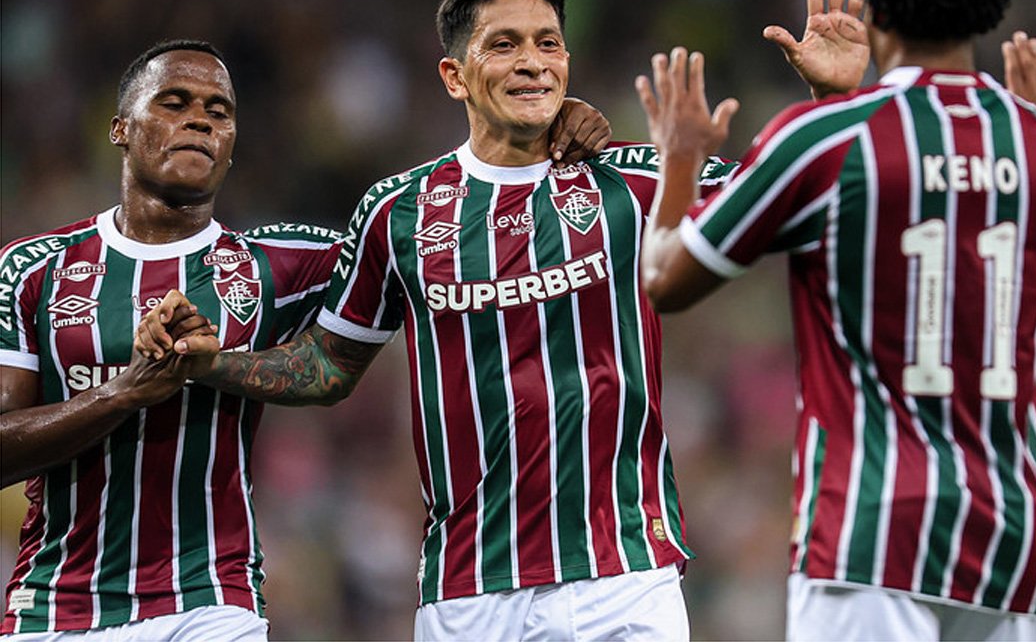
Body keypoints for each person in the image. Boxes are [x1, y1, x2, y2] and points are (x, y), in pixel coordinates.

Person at [136, 0, 737, 641]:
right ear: (455, 76)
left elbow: (789, 197)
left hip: (625, 578)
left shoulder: (628, 178)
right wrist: (213, 364)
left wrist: (823, 97)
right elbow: (328, 365)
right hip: (467, 593)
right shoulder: (399, 211)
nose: (533, 61)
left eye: (548, 43)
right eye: (505, 44)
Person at [635, 0, 1036, 641]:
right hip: (1009, 544)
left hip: (868, 534)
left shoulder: (825, 138)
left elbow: (665, 279)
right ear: (991, 8)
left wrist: (678, 162)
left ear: (878, 8)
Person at [0, 39, 608, 639]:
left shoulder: (278, 264)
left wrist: (538, 138)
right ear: (120, 129)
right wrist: (123, 393)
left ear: (231, 144)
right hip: (54, 606)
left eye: (219, 111)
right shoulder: (33, 270)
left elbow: (437, 238)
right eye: (174, 103)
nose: (200, 121)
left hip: (210, 603)